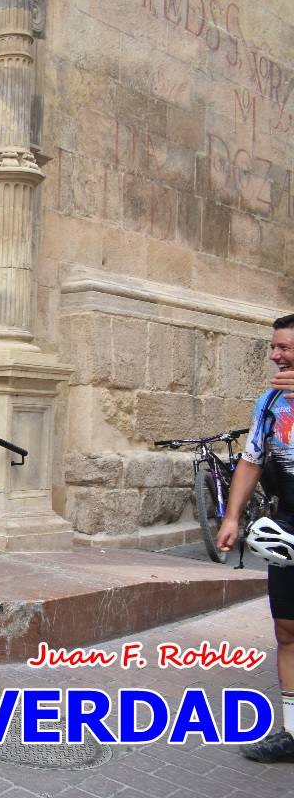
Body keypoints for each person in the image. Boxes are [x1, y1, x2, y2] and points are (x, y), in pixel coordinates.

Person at [217, 312, 294, 763]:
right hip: (288, 527)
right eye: (274, 347)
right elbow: (252, 461)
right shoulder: (269, 403)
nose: (275, 355)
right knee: (287, 630)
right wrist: (232, 516)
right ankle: (291, 733)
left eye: (284, 347)